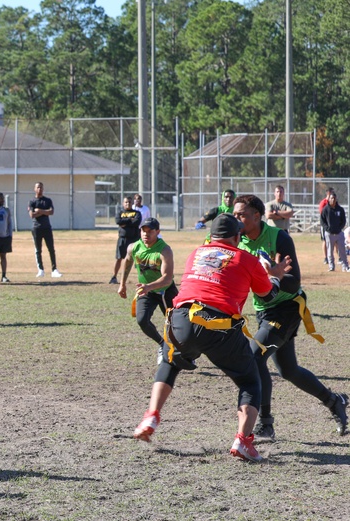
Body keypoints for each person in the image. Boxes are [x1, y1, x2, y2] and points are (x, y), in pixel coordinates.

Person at [133, 214, 291, 463]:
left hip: (181, 318)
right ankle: (243, 440)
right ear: (236, 236)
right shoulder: (245, 258)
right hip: (218, 325)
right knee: (250, 381)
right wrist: (274, 275)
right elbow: (268, 296)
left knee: (169, 361)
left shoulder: (196, 253)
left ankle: (151, 415)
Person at [232, 194, 348, 439]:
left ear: (256, 215)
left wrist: (274, 277)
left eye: (241, 214)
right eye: (235, 214)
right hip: (264, 310)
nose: (237, 218)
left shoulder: (278, 237)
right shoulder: (238, 242)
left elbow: (295, 282)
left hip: (287, 309)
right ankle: (334, 401)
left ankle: (266, 424)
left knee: (255, 355)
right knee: (289, 370)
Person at [117, 217, 177, 357]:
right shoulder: (134, 247)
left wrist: (148, 287)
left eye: (150, 231)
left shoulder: (165, 250)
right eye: (143, 230)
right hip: (146, 291)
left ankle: (185, 354)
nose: (146, 234)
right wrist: (122, 284)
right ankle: (162, 344)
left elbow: (167, 278)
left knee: (176, 326)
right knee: (142, 320)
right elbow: (127, 262)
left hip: (166, 291)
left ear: (158, 232)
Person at [28, 182, 62, 278]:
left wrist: (39, 211)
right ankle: (41, 269)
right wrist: (44, 212)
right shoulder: (32, 201)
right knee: (38, 250)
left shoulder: (47, 201)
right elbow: (32, 215)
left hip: (47, 228)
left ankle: (54, 269)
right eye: (38, 187)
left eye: (41, 187)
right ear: (35, 189)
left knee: (51, 249)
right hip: (36, 228)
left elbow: (51, 212)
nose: (40, 189)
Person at [111, 196, 142, 284]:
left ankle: (143, 278)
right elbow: (118, 221)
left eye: (129, 202)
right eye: (126, 202)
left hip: (134, 239)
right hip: (122, 239)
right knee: (119, 258)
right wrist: (129, 220)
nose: (127, 204)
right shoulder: (120, 213)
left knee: (138, 259)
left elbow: (136, 222)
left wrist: (125, 222)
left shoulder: (137, 213)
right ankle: (114, 277)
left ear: (132, 203)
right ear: (123, 203)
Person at [320, 190, 349, 271]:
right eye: (331, 198)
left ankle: (345, 266)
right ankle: (331, 266)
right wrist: (327, 228)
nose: (333, 200)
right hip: (329, 233)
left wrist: (340, 228)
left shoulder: (340, 209)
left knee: (342, 250)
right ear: (329, 199)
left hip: (339, 233)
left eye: (334, 198)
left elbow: (343, 220)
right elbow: (322, 221)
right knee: (330, 251)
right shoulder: (325, 209)